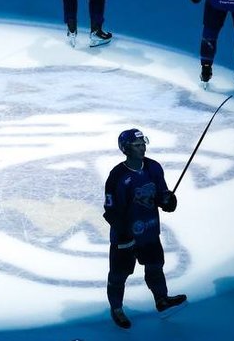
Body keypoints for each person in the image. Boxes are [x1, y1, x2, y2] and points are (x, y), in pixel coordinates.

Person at [102, 129, 187, 329]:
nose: (143, 148)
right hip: (125, 237)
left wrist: (168, 201)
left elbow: (161, 194)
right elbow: (111, 210)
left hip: (149, 230)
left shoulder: (153, 167)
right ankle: (117, 308)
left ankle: (162, 299)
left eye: (143, 144)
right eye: (137, 145)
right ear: (126, 149)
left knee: (155, 266)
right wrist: (124, 233)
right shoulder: (117, 176)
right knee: (119, 275)